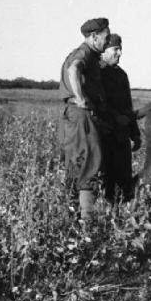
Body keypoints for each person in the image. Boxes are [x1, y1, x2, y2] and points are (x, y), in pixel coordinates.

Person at [58, 17, 111, 221]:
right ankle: (88, 225)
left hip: (74, 116)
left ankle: (71, 220)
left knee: (77, 165)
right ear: (94, 37)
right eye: (105, 38)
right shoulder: (85, 53)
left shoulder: (87, 53)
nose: (107, 42)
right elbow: (74, 69)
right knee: (90, 166)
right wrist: (80, 98)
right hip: (81, 116)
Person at [99, 33, 142, 203]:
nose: (119, 53)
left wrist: (135, 133)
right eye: (115, 49)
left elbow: (128, 107)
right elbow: (96, 103)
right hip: (103, 135)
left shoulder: (121, 75)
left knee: (124, 181)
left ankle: (119, 219)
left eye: (120, 49)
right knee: (105, 181)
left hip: (121, 137)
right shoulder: (96, 73)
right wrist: (115, 118)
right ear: (103, 51)